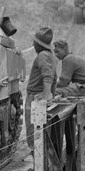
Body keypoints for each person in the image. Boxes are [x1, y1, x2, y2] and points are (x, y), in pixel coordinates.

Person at [24, 27, 57, 155]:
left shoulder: (42, 56)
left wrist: (45, 95)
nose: (33, 45)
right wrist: (51, 94)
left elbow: (48, 76)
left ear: (39, 44)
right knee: (41, 133)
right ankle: (41, 169)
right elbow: (55, 78)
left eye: (35, 43)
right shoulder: (51, 56)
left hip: (35, 98)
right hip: (40, 97)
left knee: (34, 133)